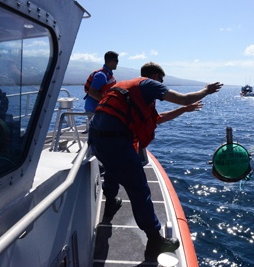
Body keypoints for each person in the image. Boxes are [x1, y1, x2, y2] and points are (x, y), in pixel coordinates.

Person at [88, 62, 223, 261]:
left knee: (112, 167)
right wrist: (206, 90)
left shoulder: (129, 88)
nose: (162, 83)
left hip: (97, 139)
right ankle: (154, 240)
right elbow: (184, 97)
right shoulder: (149, 84)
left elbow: (157, 119)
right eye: (161, 79)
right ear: (154, 75)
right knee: (139, 189)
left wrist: (184, 110)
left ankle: (110, 203)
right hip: (114, 141)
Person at [83, 51, 119, 132]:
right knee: (99, 133)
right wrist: (107, 103)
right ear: (111, 61)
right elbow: (92, 92)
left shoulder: (107, 75)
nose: (117, 64)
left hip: (99, 110)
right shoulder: (101, 75)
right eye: (116, 61)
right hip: (94, 110)